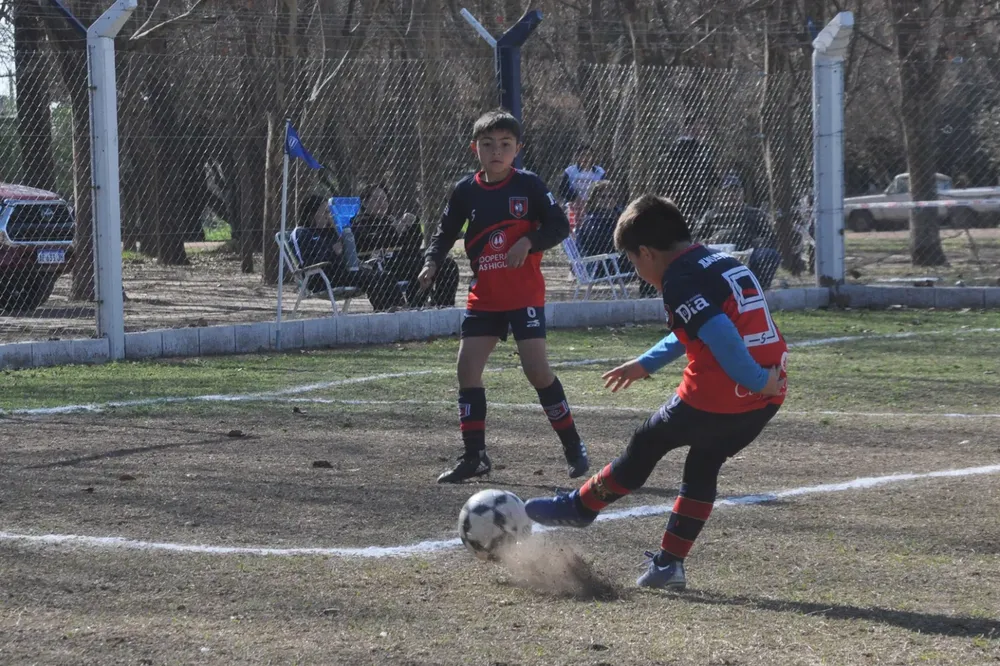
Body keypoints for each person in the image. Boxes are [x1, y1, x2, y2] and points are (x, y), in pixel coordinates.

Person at [525, 194, 787, 590]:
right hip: (763, 401)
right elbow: (700, 327)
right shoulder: (717, 260)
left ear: (646, 252)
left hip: (726, 392)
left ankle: (581, 507)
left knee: (646, 443)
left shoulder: (679, 279)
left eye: (632, 261)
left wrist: (753, 378)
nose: (635, 269)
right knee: (703, 464)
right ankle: (669, 565)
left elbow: (721, 336)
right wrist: (645, 363)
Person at [419, 108, 589, 484]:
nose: (496, 150)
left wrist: (528, 241)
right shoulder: (465, 190)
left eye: (505, 144)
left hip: (523, 294)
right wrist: (432, 261)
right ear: (474, 148)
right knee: (467, 369)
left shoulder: (528, 185)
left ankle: (573, 445)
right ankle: (474, 456)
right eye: (488, 144)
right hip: (485, 296)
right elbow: (445, 232)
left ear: (517, 149)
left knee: (537, 371)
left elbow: (559, 225)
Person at [350, 183, 459, 308]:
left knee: (445, 263)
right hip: (379, 265)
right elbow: (370, 242)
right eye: (376, 199)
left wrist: (413, 226)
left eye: (384, 199)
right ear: (365, 203)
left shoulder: (390, 221)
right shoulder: (359, 223)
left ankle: (443, 305)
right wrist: (394, 230)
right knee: (416, 265)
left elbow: (412, 246)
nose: (382, 203)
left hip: (403, 262)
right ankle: (413, 305)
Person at [290, 195, 403, 312]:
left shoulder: (329, 232)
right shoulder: (302, 233)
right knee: (371, 279)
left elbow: (343, 255)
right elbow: (308, 261)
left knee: (385, 275)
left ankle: (400, 309)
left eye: (328, 212)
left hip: (343, 272)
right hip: (322, 277)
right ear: (311, 214)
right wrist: (331, 251)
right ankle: (384, 311)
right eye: (323, 212)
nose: (327, 215)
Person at [694, 172, 782, 290]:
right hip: (716, 254)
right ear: (721, 195)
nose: (732, 195)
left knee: (769, 254)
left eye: (736, 191)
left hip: (748, 253)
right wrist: (706, 242)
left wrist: (752, 244)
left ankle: (758, 288)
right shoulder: (711, 215)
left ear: (742, 193)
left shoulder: (754, 213)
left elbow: (770, 238)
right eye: (728, 191)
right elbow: (695, 238)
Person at [656, 113, 718, 223]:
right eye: (701, 124)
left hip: (702, 195)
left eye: (705, 124)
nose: (705, 128)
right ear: (689, 127)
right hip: (685, 195)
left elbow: (709, 173)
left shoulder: (705, 148)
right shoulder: (680, 146)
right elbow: (673, 173)